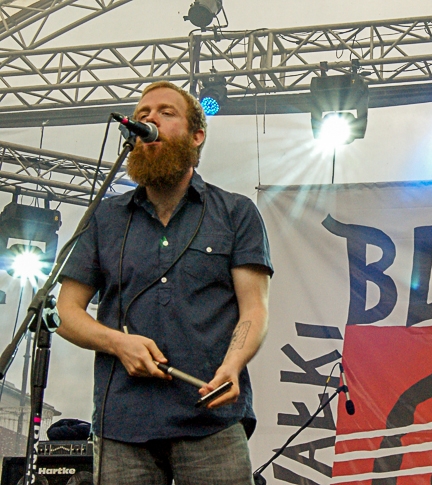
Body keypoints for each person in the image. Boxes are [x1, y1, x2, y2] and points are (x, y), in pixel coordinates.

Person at [56, 81, 272, 484]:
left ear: (196, 136)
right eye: (142, 115)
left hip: (210, 420)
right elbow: (65, 312)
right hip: (122, 425)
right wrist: (118, 343)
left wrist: (233, 363)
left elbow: (255, 307)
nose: (150, 119)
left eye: (166, 112)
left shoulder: (236, 213)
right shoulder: (105, 218)